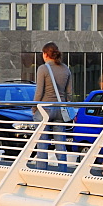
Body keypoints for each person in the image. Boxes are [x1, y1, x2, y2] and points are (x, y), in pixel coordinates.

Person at [33, 42, 72, 172]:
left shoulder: (43, 69)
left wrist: (34, 108)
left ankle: (41, 172)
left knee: (42, 144)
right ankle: (63, 171)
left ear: (45, 54)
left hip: (45, 109)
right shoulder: (66, 68)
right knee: (61, 144)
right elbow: (69, 93)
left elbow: (39, 92)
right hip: (60, 110)